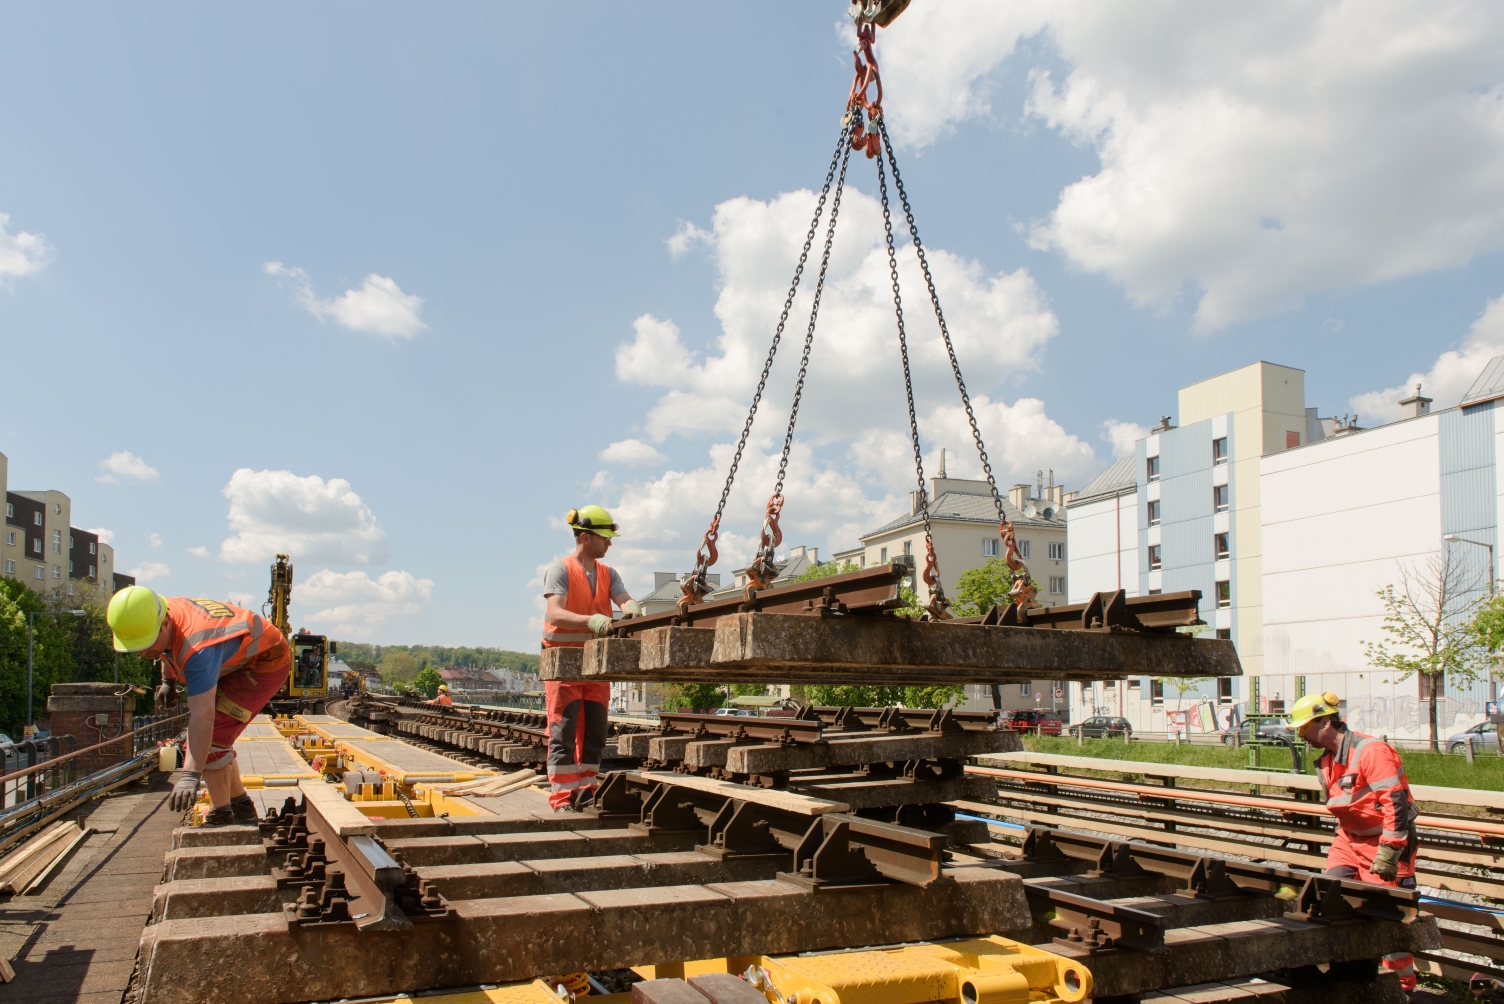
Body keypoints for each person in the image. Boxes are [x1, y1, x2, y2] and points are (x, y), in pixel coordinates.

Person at [107, 586, 291, 826]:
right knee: (214, 741)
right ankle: (242, 808)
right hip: (238, 658)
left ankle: (223, 816)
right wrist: (168, 681)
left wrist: (190, 775)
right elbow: (167, 648)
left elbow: (203, 716)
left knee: (211, 740)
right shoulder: (159, 611)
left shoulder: (198, 648)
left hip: (264, 662)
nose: (143, 652)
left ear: (164, 624)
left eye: (145, 643)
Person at [1292, 690, 1419, 992]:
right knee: (1332, 899)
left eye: (1303, 727)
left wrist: (1390, 851)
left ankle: (1402, 988)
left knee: (1391, 918)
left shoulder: (1370, 751)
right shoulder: (1328, 760)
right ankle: (1354, 975)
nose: (1300, 734)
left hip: (1384, 843)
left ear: (1324, 722)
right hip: (1348, 840)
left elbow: (1395, 803)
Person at [541, 505, 640, 810]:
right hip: (565, 666)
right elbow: (555, 612)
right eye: (604, 537)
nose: (609, 542)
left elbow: (625, 600)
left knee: (595, 733)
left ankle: (587, 791)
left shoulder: (608, 573)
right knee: (564, 732)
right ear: (585, 537)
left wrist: (633, 610)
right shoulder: (561, 570)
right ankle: (561, 799)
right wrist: (591, 621)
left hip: (596, 667)